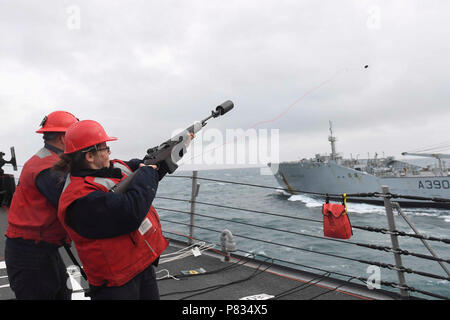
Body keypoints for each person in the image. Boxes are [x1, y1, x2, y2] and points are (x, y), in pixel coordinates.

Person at [54, 119, 191, 300]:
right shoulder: (79, 200)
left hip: (141, 265)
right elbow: (130, 212)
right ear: (89, 156)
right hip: (115, 283)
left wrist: (175, 150)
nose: (110, 153)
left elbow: (149, 170)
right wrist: (148, 172)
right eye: (105, 148)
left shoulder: (116, 167)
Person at [4, 110, 79, 300]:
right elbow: (75, 207)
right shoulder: (48, 168)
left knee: (61, 293)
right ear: (64, 138)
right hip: (30, 254)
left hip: (43, 248)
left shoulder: (50, 161)